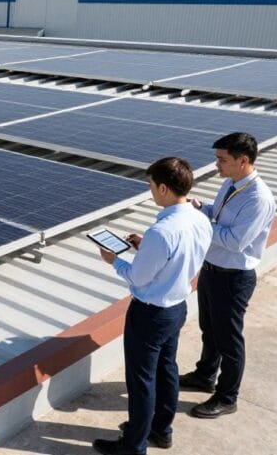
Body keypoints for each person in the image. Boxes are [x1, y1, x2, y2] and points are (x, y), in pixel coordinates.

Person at [93, 157, 213, 455]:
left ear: (162, 187)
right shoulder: (199, 219)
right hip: (177, 307)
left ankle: (133, 446)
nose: (150, 191)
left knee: (141, 381)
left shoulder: (163, 232)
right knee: (166, 370)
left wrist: (115, 261)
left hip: (150, 314)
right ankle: (161, 430)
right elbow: (176, 255)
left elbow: (138, 277)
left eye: (150, 186)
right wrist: (144, 246)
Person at [180, 132, 276, 419]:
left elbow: (235, 241)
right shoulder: (231, 184)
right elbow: (218, 216)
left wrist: (200, 225)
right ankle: (205, 376)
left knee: (229, 339)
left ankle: (227, 396)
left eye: (222, 159)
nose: (216, 164)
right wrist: (202, 208)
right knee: (209, 329)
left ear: (242, 160)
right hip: (211, 271)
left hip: (233, 278)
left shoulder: (258, 199)